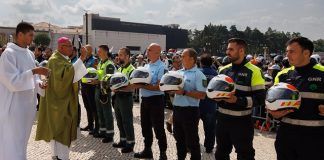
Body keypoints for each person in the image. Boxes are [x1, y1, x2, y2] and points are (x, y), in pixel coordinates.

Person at [0, 22, 50, 160]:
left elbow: (31, 79)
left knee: (21, 142)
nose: (32, 39)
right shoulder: (8, 54)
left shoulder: (29, 54)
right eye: (30, 35)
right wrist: (35, 70)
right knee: (12, 142)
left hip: (27, 107)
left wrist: (40, 84)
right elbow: (12, 82)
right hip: (13, 107)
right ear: (20, 34)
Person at [270, 37, 324, 160]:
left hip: (316, 137)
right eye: (287, 52)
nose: (287, 55)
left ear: (306, 53)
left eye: (292, 51)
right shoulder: (282, 75)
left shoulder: (322, 74)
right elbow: (271, 101)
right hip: (285, 136)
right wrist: (273, 113)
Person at [35, 37, 88, 160]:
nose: (72, 48)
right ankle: (61, 157)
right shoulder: (55, 60)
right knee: (61, 130)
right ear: (61, 47)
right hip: (59, 103)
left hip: (62, 99)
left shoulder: (62, 59)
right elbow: (65, 77)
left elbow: (69, 75)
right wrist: (81, 59)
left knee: (58, 130)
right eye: (69, 46)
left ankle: (58, 156)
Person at [215, 38, 265, 160]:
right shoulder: (223, 69)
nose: (227, 52)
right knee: (220, 153)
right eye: (227, 49)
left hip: (242, 121)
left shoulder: (254, 71)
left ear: (241, 51)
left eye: (231, 49)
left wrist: (237, 100)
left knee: (245, 155)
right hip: (222, 120)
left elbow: (260, 99)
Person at [134, 43, 168, 160]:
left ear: (157, 53)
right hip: (145, 100)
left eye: (149, 50)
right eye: (147, 49)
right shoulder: (146, 66)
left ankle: (163, 153)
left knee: (158, 128)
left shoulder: (162, 67)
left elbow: (159, 87)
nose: (146, 52)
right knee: (145, 127)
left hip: (156, 100)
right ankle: (147, 150)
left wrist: (141, 86)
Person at [172, 48, 207, 160]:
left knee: (192, 141)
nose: (180, 58)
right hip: (177, 109)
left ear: (192, 59)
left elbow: (202, 95)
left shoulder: (199, 74)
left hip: (190, 111)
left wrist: (185, 92)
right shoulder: (179, 73)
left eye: (183, 56)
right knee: (179, 138)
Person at [112, 47, 136, 153]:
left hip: (126, 98)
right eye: (118, 54)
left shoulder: (132, 69)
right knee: (119, 120)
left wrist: (119, 88)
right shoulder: (120, 68)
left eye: (121, 55)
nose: (118, 57)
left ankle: (130, 143)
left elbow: (132, 86)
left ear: (127, 56)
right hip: (118, 97)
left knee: (127, 121)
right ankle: (123, 140)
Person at [92, 45, 116, 143]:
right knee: (100, 111)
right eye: (98, 51)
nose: (98, 53)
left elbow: (110, 80)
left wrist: (98, 82)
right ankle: (102, 131)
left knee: (107, 112)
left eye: (100, 51)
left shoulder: (109, 64)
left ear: (106, 52)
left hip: (105, 91)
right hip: (98, 89)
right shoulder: (100, 63)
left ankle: (109, 134)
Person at [199, 53, 218, 153]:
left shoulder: (198, 72)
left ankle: (193, 144)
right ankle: (209, 147)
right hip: (211, 105)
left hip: (197, 103)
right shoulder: (216, 74)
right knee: (210, 128)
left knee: (192, 126)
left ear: (201, 63)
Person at [80, 44, 99, 136]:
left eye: (86, 50)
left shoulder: (94, 60)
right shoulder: (84, 60)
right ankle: (90, 125)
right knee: (87, 106)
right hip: (83, 85)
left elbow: (95, 72)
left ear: (90, 51)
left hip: (91, 86)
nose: (84, 51)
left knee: (93, 107)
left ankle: (96, 127)